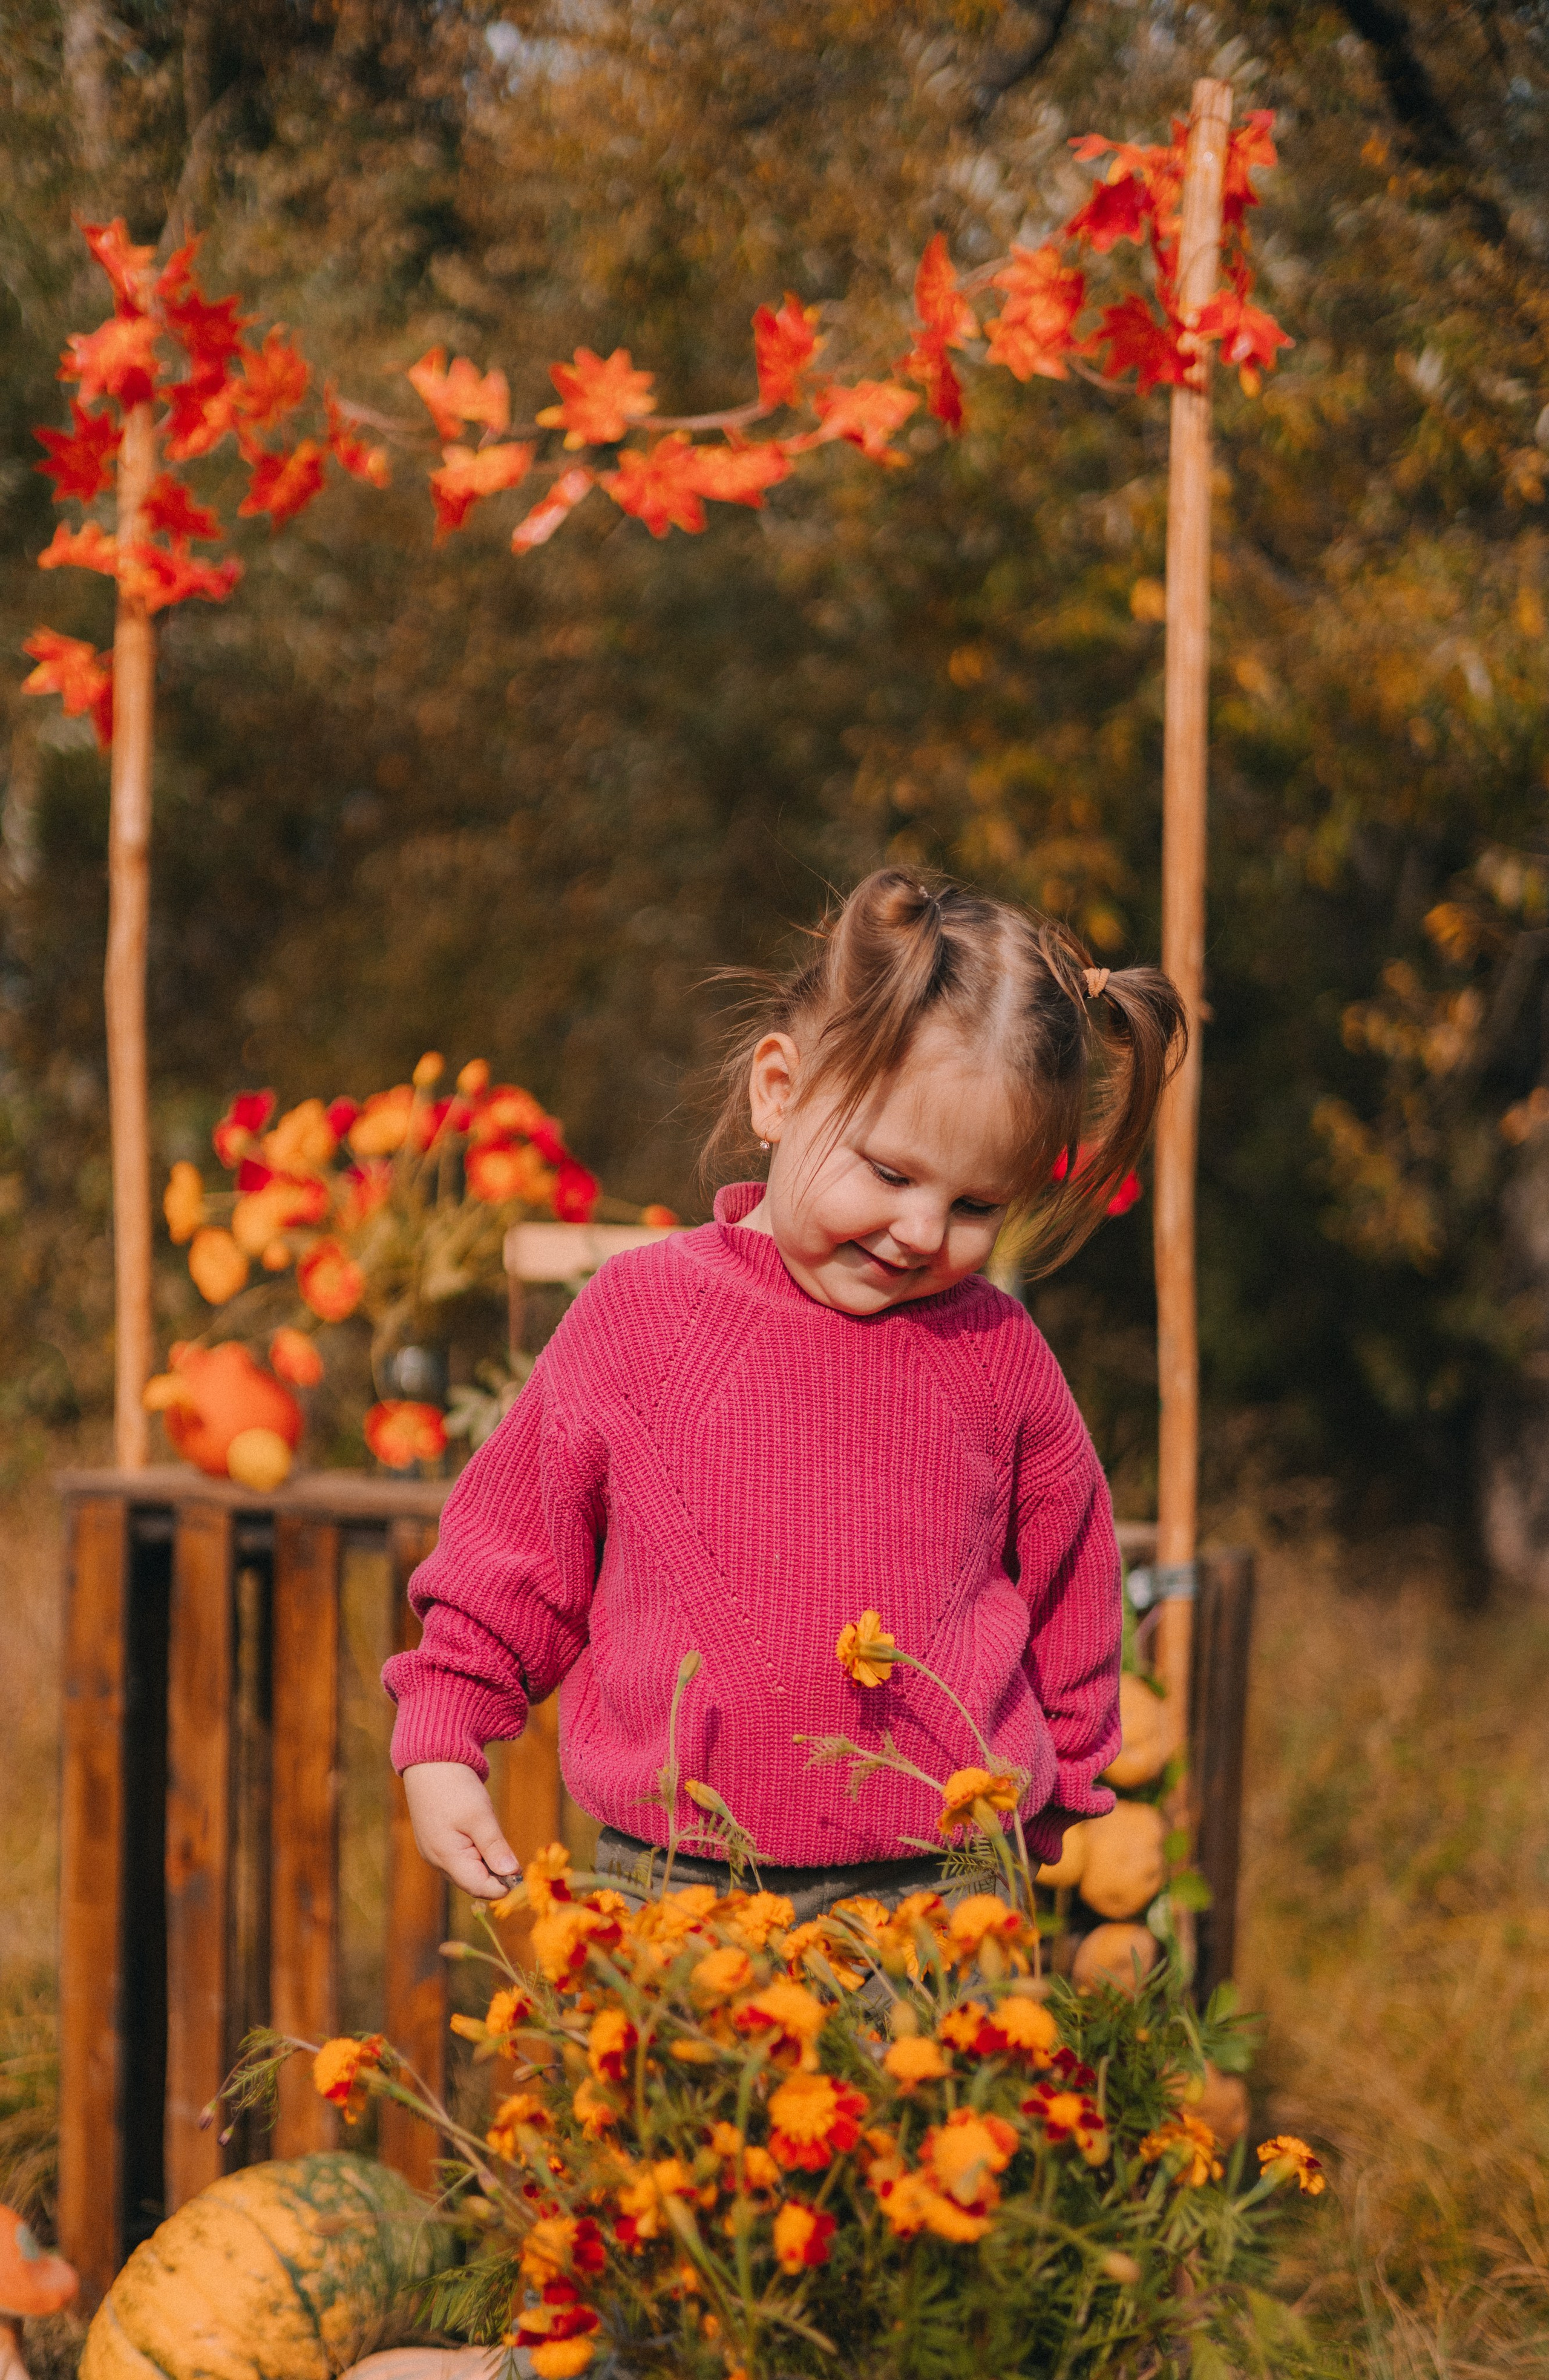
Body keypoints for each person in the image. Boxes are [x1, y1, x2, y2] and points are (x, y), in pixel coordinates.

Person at [385, 868, 1185, 1917]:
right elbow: (514, 1557)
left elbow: (1071, 1575)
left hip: (942, 1894)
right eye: (891, 1174)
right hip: (679, 1889)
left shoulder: (998, 1352)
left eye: (976, 1204)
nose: (922, 1232)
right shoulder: (643, 1316)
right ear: (780, 1089)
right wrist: (443, 1733)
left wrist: (1062, 1793)